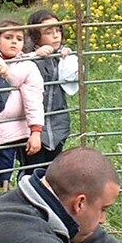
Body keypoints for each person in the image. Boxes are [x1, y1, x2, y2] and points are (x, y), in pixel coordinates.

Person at [0, 19, 45, 191]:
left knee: (1, 180)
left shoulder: (27, 67)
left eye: (19, 39)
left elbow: (34, 101)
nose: (14, 41)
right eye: (8, 37)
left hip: (10, 136)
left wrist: (35, 132)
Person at [23, 9, 79, 169]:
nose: (56, 36)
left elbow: (73, 75)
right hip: (32, 126)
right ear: (35, 35)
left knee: (54, 167)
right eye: (48, 32)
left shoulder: (62, 54)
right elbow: (15, 64)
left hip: (58, 121)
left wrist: (66, 56)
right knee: (33, 168)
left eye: (58, 30)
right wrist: (35, 55)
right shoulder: (28, 57)